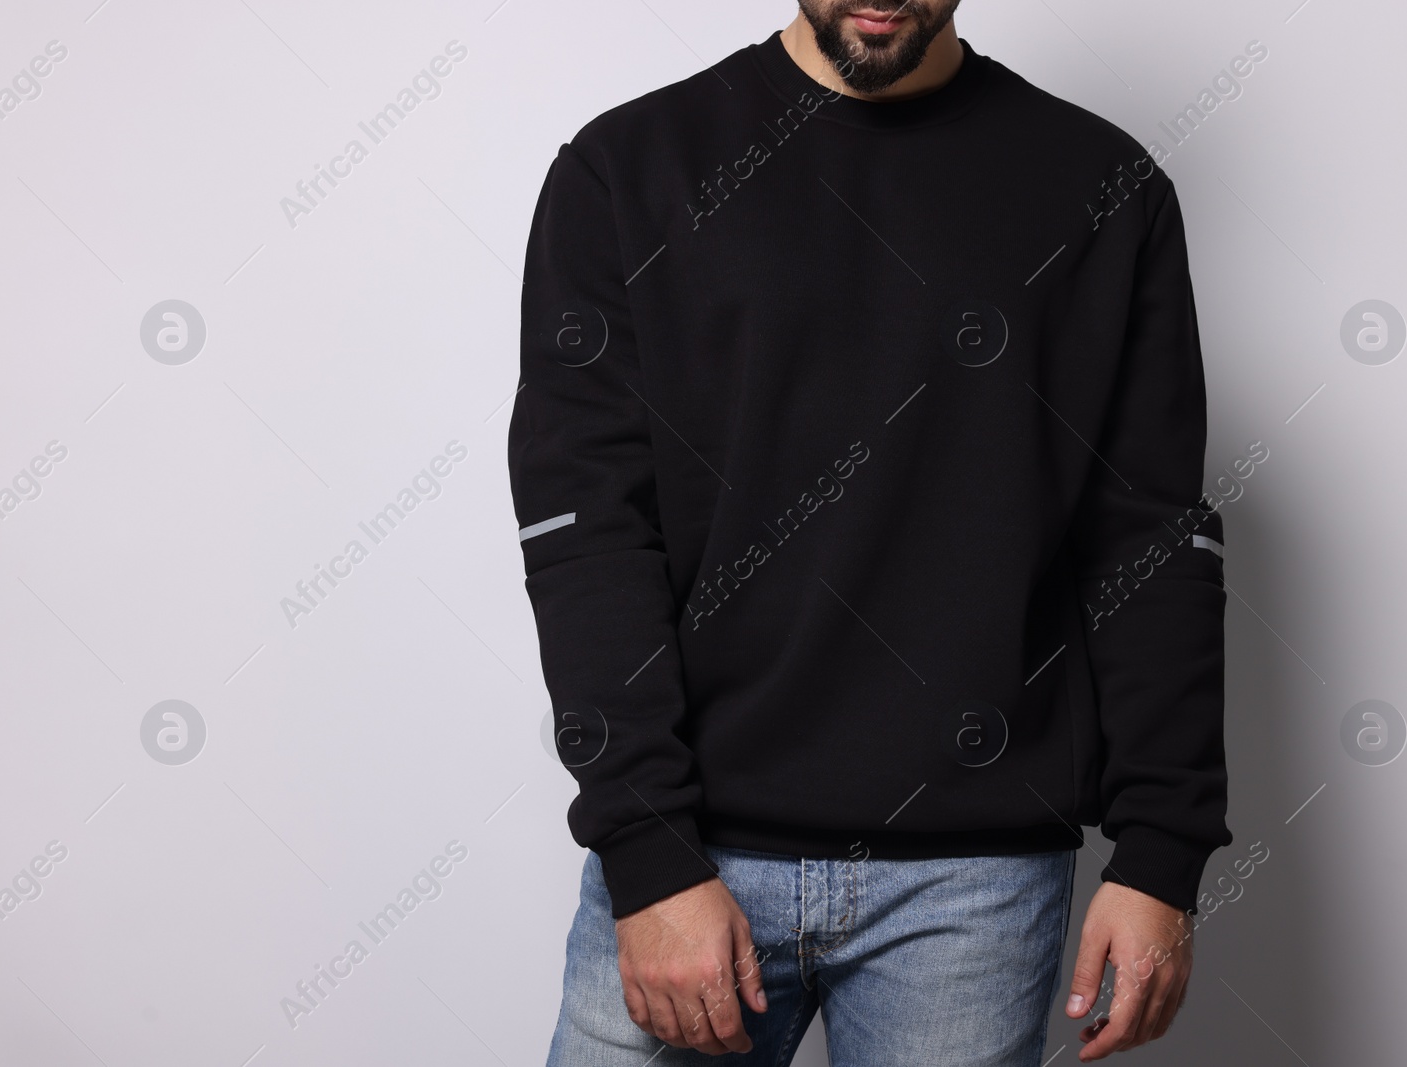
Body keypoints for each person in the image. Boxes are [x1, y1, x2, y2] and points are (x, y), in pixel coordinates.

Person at [508, 2, 1231, 1063]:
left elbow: (1151, 540)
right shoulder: (628, 170)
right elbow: (588, 532)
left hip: (973, 886)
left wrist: (1161, 852)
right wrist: (649, 851)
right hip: (694, 849)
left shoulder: (1102, 187)